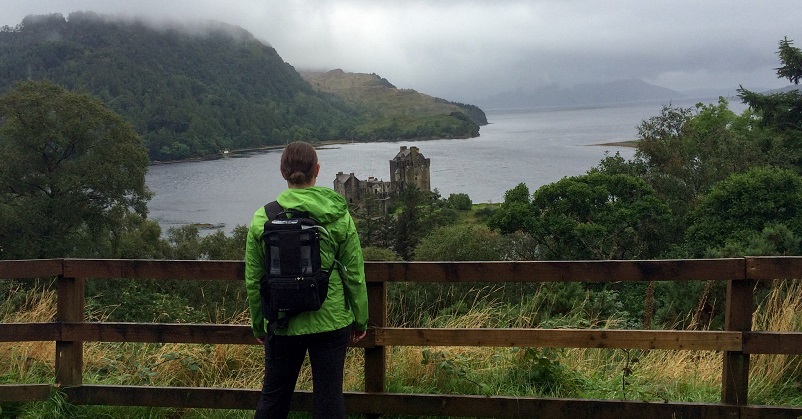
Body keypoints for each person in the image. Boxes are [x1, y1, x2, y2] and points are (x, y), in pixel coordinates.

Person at [244, 141, 368, 419]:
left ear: (282, 172)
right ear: (318, 170)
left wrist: (259, 324)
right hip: (331, 317)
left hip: (282, 319)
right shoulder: (338, 215)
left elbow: (253, 280)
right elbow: (354, 274)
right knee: (329, 398)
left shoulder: (263, 217)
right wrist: (360, 319)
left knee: (274, 396)